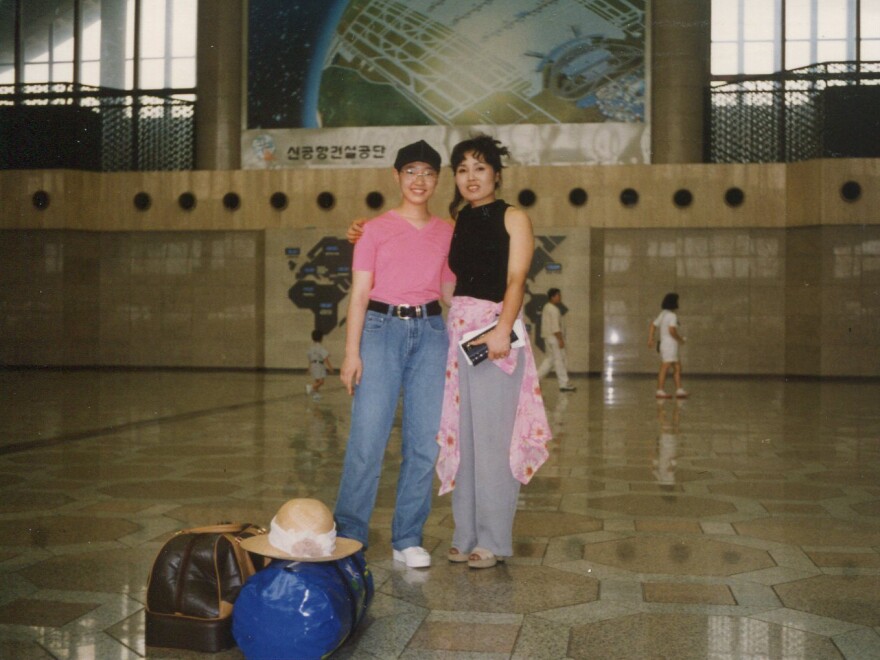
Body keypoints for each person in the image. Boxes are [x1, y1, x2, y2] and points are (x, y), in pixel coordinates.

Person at [334, 139, 455, 569]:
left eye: (427, 173)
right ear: (397, 176)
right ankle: (349, 535)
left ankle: (408, 537)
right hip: (381, 331)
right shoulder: (373, 229)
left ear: (438, 180)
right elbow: (360, 292)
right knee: (368, 439)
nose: (419, 181)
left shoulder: (447, 232)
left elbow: (448, 292)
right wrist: (352, 353)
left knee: (425, 442)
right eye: (411, 172)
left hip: (431, 332)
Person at [435, 135, 552, 569]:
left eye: (479, 168)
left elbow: (517, 277)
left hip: (495, 336)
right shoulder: (460, 220)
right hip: (459, 336)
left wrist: (502, 329)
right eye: (462, 169)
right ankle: (464, 534)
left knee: (491, 441)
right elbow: (451, 281)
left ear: (496, 174)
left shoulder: (513, 217)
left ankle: (494, 540)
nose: (471, 177)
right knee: (460, 436)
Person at [648, 292, 687, 398]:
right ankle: (660, 390)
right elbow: (672, 331)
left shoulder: (663, 313)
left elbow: (653, 325)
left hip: (665, 345)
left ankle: (679, 390)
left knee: (677, 367)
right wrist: (680, 340)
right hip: (670, 345)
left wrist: (650, 339)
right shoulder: (672, 315)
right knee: (665, 367)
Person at [536, 287, 576, 392]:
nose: (560, 297)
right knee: (560, 361)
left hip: (548, 338)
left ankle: (534, 380)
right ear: (553, 297)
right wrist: (560, 339)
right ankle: (564, 383)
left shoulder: (546, 307)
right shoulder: (553, 309)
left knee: (550, 360)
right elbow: (555, 327)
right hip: (554, 338)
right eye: (558, 295)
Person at [306, 329, 333, 400]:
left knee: (317, 381)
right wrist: (330, 367)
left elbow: (310, 359)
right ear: (321, 338)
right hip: (319, 365)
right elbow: (325, 358)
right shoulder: (320, 347)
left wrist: (309, 368)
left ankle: (316, 395)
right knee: (321, 382)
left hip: (313, 365)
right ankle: (311, 387)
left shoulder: (311, 348)